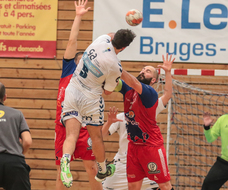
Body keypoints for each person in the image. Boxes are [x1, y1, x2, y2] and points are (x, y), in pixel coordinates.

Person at [60, 12, 136, 187]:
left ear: (113, 37)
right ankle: (102, 169)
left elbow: (110, 35)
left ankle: (65, 159)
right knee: (96, 137)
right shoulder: (115, 66)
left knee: (71, 134)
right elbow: (108, 92)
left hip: (73, 89)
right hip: (91, 98)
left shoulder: (101, 39)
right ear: (124, 48)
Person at [102, 54, 173, 190]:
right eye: (142, 69)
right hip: (133, 147)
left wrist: (115, 65)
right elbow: (112, 86)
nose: (143, 71)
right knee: (133, 186)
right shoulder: (129, 89)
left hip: (150, 145)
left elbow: (134, 82)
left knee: (164, 185)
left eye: (148, 71)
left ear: (153, 80)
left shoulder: (149, 92)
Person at [55, 1, 103, 189]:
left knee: (93, 169)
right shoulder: (68, 70)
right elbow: (71, 42)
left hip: (85, 125)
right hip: (64, 125)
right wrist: (78, 16)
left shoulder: (92, 78)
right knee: (61, 173)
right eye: (80, 58)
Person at [0, 82, 32, 190]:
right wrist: (17, 154)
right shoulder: (17, 114)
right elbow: (27, 141)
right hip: (14, 162)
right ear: (5, 97)